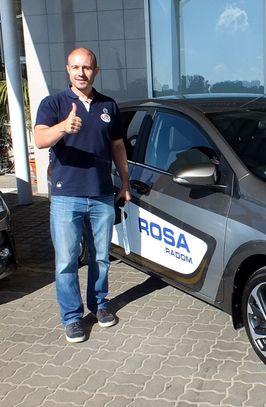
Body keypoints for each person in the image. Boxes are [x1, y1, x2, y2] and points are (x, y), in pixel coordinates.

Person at [34, 47, 131, 343]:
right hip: (67, 196)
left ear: (96, 71)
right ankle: (72, 318)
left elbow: (117, 147)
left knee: (101, 258)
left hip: (102, 194)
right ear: (68, 69)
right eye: (75, 67)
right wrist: (64, 127)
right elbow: (39, 139)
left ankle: (100, 305)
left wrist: (125, 183)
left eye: (86, 67)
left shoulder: (108, 105)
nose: (81, 72)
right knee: (66, 261)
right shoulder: (53, 104)